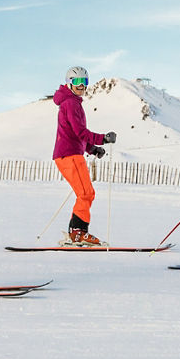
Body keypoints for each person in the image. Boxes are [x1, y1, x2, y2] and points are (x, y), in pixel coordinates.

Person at [52, 66, 116, 246]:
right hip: (69, 155)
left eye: (85, 82)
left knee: (86, 193)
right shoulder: (71, 103)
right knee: (86, 193)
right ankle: (78, 234)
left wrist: (93, 149)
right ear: (69, 83)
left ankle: (76, 233)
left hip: (71, 153)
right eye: (77, 81)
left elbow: (75, 134)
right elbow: (80, 132)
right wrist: (102, 139)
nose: (81, 85)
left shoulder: (71, 102)